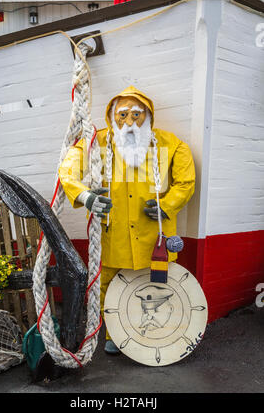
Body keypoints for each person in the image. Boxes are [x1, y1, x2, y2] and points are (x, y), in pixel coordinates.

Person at [58, 86, 195, 354]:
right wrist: (85, 196)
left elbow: (186, 181)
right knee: (107, 287)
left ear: (148, 116)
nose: (130, 121)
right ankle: (114, 334)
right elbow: (67, 170)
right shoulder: (94, 143)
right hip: (113, 236)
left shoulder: (171, 144)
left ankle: (157, 334)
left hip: (153, 239)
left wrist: (167, 205)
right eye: (123, 115)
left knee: (156, 287)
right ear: (112, 116)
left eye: (136, 114)